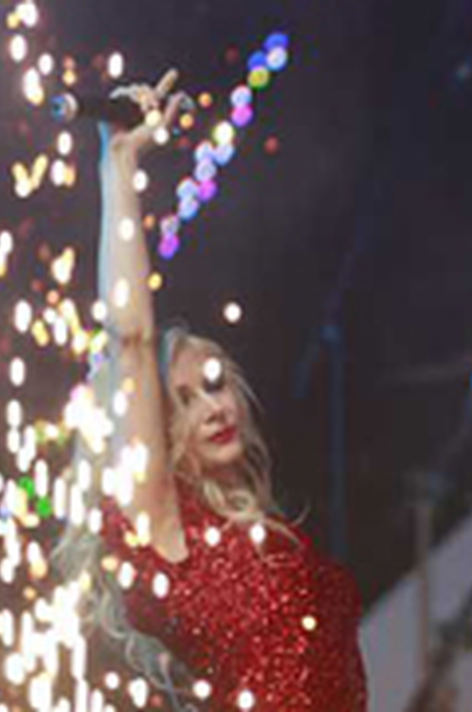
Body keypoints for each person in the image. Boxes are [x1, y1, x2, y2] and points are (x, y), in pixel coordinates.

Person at [53, 71, 367, 710]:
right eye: (182, 401)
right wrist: (119, 163)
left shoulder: (263, 530)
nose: (214, 407)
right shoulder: (160, 522)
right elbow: (131, 338)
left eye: (215, 384)